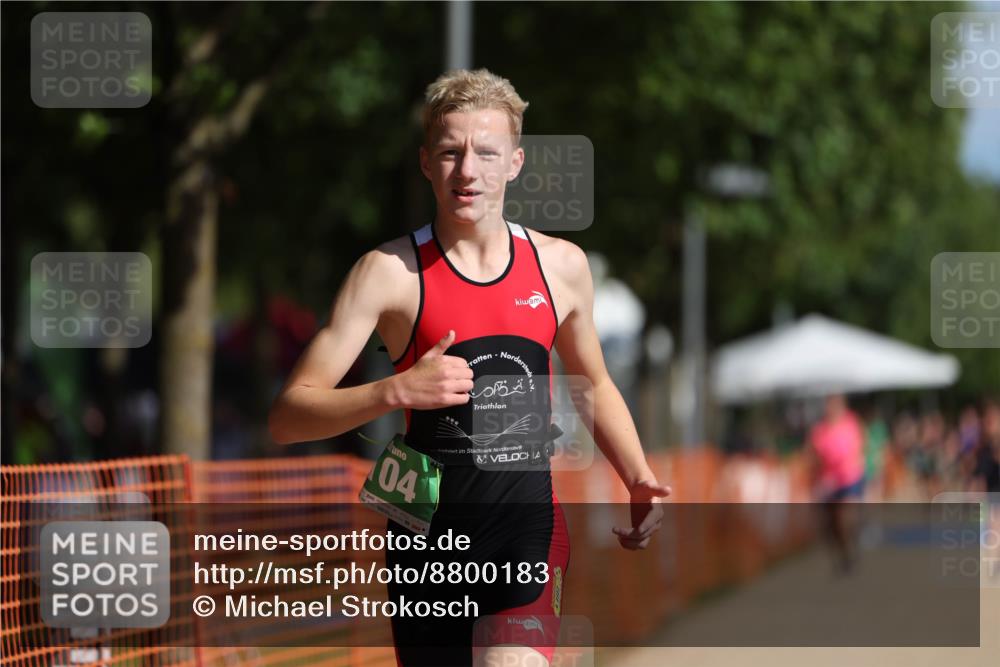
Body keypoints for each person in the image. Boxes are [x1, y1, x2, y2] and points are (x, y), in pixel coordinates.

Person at [268, 68, 670, 667]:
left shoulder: (561, 267)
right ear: (426, 162)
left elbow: (596, 387)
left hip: (522, 522)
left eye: (486, 153)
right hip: (422, 528)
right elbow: (287, 417)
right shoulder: (388, 272)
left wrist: (638, 475)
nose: (468, 171)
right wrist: (395, 389)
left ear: (515, 162)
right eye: (451, 153)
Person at [808, 394, 865, 574]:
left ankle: (851, 543)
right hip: (828, 480)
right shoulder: (820, 429)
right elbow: (814, 454)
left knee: (844, 517)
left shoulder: (850, 423)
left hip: (849, 477)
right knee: (830, 523)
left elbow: (854, 450)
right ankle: (843, 554)